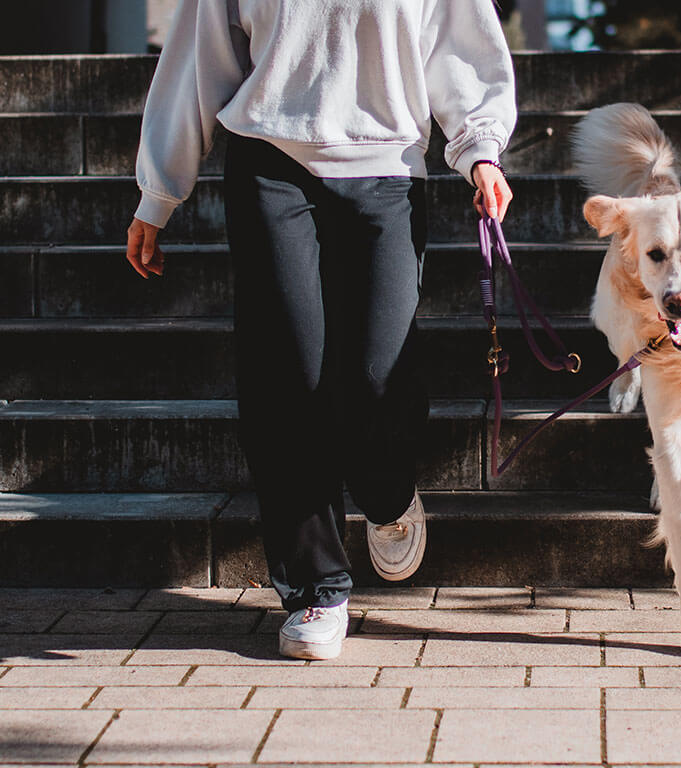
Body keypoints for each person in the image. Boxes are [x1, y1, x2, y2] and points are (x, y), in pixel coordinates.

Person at [124, 0, 516, 660]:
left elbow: (461, 43)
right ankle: (316, 587)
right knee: (289, 376)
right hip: (271, 163)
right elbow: (197, 59)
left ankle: (389, 493)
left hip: (387, 167)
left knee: (375, 377)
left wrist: (481, 150)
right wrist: (157, 193)